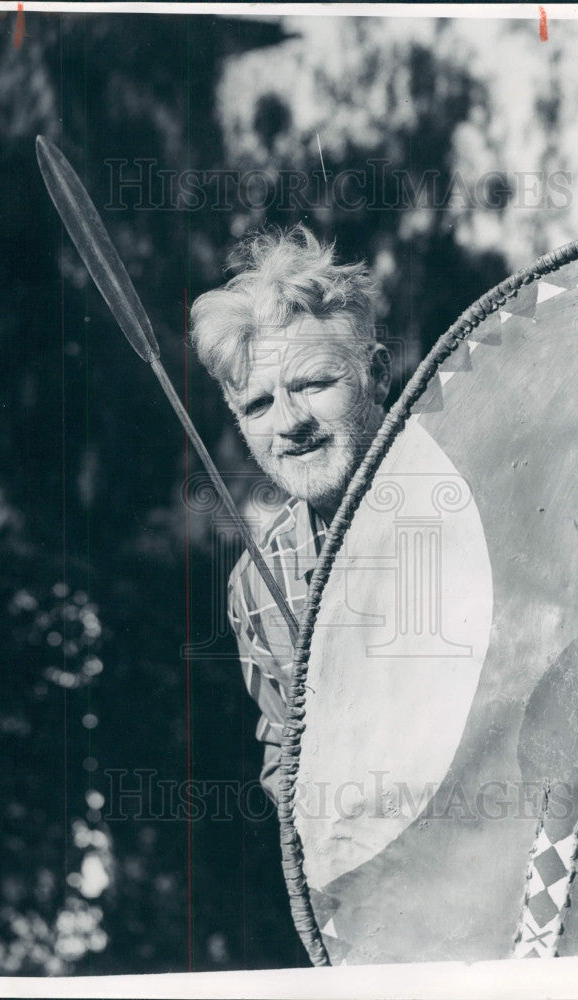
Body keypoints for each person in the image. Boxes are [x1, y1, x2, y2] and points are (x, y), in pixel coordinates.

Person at [189, 224, 391, 802]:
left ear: (375, 375)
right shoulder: (257, 585)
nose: (289, 422)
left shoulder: (470, 491)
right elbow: (286, 751)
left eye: (313, 383)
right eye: (257, 404)